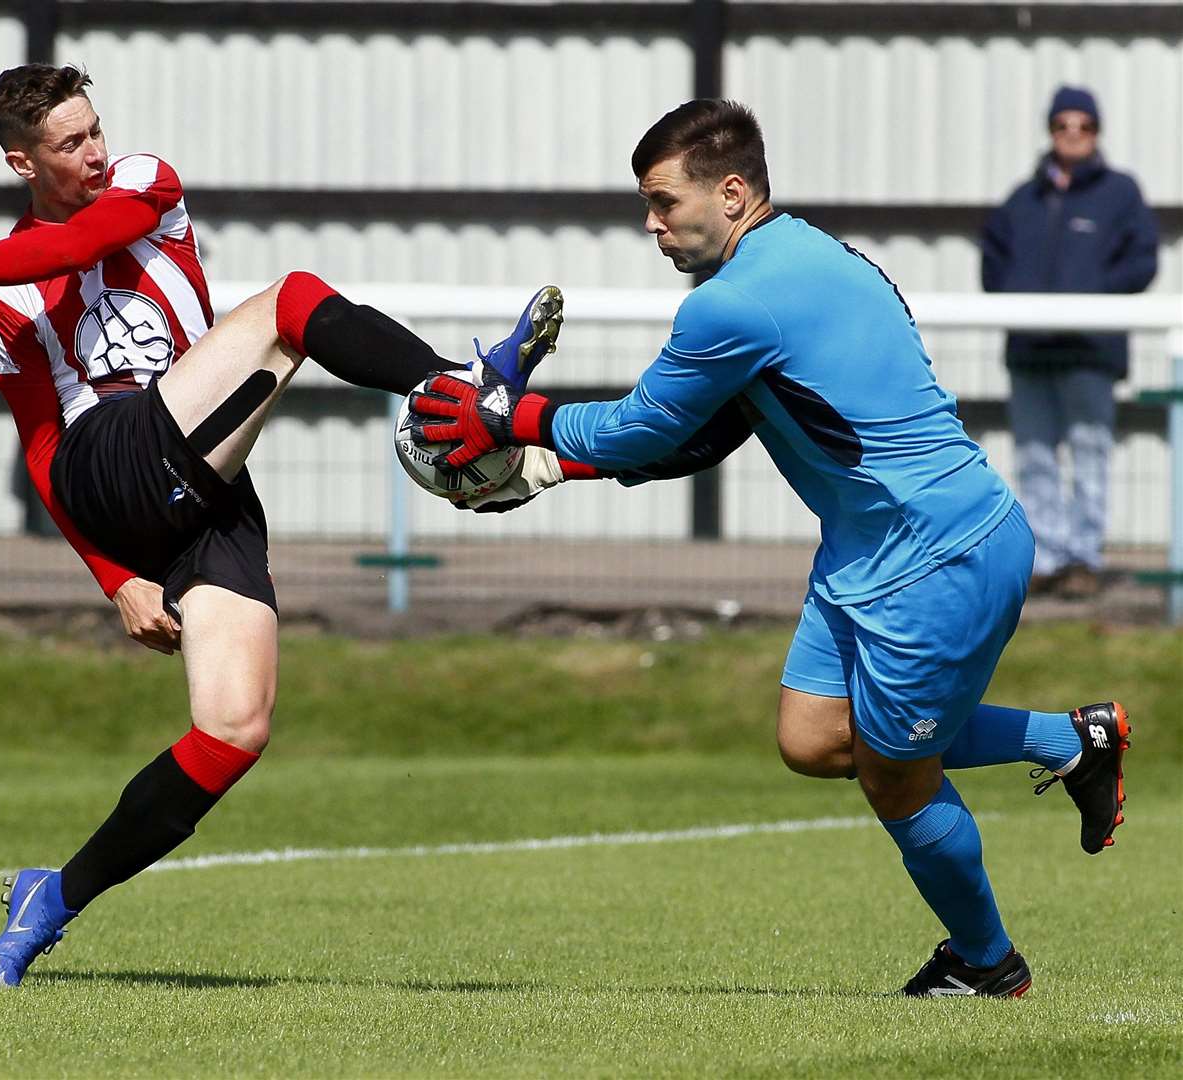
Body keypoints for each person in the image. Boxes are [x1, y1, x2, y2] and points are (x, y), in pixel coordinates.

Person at [0, 62, 570, 988]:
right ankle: (467, 401)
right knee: (289, 304)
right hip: (107, 461)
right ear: (20, 160)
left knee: (233, 729)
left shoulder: (143, 182)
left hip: (201, 478)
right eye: (68, 143)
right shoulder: (1, 294)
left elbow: (78, 242)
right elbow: (42, 445)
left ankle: (51, 898)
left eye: (95, 131)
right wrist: (109, 577)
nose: (94, 152)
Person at [411, 99, 1132, 997]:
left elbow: (642, 427)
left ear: (730, 191)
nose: (651, 225)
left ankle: (987, 964)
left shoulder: (733, 302)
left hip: (938, 555)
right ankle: (1071, 742)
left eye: (662, 203)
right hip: (870, 551)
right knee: (813, 738)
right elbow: (708, 432)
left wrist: (505, 420)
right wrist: (553, 467)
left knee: (893, 778)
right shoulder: (815, 253)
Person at [981, 86, 1159, 600]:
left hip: (1090, 351)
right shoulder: (1024, 197)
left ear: (1097, 132)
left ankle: (1084, 558)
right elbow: (993, 259)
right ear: (1051, 131)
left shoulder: (1121, 194)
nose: (1073, 135)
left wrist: (1092, 298)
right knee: (1034, 455)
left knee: (1089, 453)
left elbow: (1142, 261)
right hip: (1031, 350)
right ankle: (1048, 558)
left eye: (1083, 125)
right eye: (1063, 125)